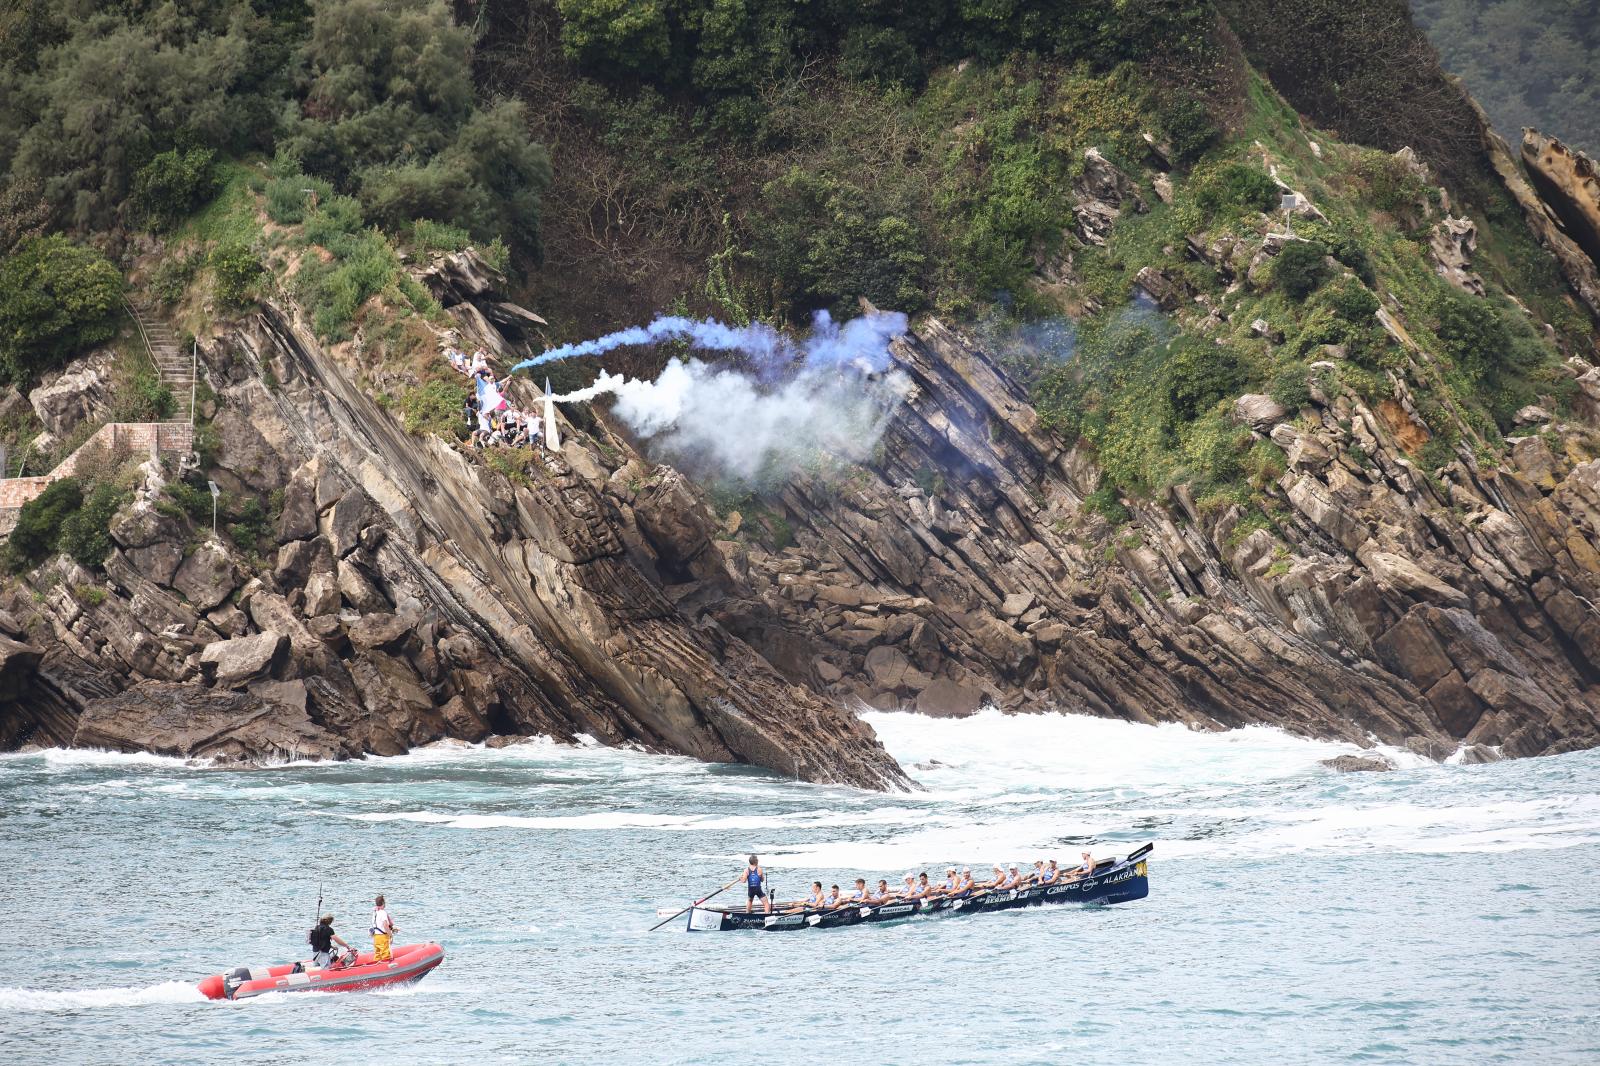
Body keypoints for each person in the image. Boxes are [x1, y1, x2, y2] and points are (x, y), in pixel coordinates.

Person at [370, 894, 397, 962]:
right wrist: (390, 935)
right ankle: (386, 967)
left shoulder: (375, 912)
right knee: (385, 953)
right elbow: (385, 925)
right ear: (383, 903)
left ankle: (376, 966)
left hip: (376, 936)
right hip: (383, 937)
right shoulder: (383, 913)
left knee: (378, 953)